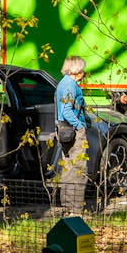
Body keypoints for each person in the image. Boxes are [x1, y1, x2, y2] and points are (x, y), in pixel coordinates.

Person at [54, 55, 92, 215]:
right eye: (82, 69)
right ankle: (76, 210)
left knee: (68, 169)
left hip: (63, 131)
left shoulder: (63, 82)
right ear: (77, 70)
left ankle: (67, 208)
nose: (83, 72)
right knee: (79, 170)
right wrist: (79, 126)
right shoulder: (70, 85)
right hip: (73, 131)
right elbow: (67, 110)